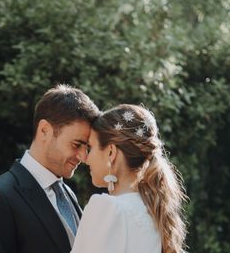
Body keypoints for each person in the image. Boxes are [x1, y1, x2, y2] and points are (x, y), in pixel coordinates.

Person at [0, 84, 100, 253]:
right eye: (77, 144)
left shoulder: (67, 193)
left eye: (87, 147)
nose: (84, 156)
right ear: (44, 131)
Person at [71, 104, 187, 253]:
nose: (86, 158)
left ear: (111, 152)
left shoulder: (105, 208)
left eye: (91, 147)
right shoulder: (155, 213)